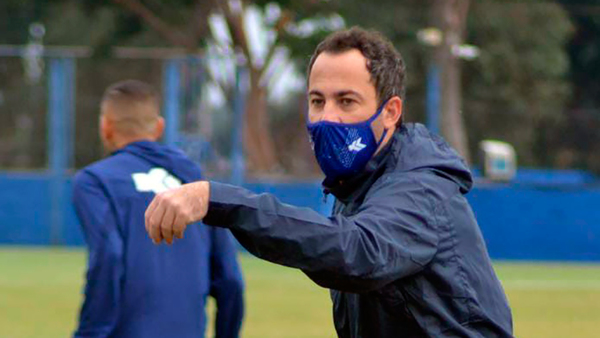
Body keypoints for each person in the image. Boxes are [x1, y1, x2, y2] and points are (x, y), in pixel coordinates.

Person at [145, 27, 514, 338]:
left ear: (390, 112)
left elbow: (355, 252)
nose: (328, 118)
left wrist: (218, 199)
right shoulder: (356, 184)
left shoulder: (419, 187)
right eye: (317, 101)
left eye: (347, 101)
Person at [72, 80, 244, 338]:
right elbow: (229, 279)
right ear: (159, 127)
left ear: (105, 127)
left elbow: (109, 256)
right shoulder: (196, 182)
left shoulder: (94, 181)